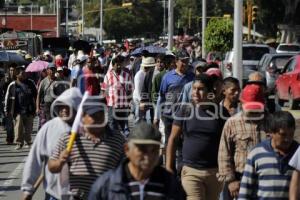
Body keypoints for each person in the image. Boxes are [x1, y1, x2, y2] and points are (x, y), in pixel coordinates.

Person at [48, 97, 125, 200]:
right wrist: (59, 162)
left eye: (101, 114)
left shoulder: (118, 139)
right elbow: (51, 166)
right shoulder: (68, 138)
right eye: (93, 115)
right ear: (83, 117)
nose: (98, 118)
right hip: (76, 196)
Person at [88, 122, 184, 200]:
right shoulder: (106, 185)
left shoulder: (170, 184)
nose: (148, 156)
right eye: (142, 149)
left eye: (154, 150)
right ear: (127, 149)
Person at [166, 74, 225, 200]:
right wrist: (169, 167)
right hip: (190, 171)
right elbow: (173, 139)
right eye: (194, 88)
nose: (196, 93)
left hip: (215, 172)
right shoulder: (185, 110)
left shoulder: (221, 113)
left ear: (210, 91)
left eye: (201, 89)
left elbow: (227, 141)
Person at [21, 88, 82, 200]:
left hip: (81, 192)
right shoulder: (49, 128)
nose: (63, 110)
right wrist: (27, 188)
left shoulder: (86, 129)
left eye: (68, 106)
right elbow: (34, 159)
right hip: (53, 193)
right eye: (61, 106)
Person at [218, 84, 269, 200]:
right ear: (242, 104)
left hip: (265, 179)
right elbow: (224, 154)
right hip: (239, 179)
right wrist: (231, 181)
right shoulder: (232, 123)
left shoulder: (271, 122)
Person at [238, 111, 299, 199]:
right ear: (271, 133)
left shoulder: (298, 152)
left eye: (291, 134)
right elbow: (245, 188)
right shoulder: (256, 153)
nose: (287, 139)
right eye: (283, 134)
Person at [4, 66, 36, 150]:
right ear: (17, 75)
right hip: (17, 110)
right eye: (22, 73)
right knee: (18, 128)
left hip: (29, 109)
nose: (24, 74)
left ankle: (28, 142)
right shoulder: (13, 85)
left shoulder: (30, 83)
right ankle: (19, 143)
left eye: (24, 73)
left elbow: (35, 96)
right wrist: (7, 110)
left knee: (29, 128)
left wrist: (35, 108)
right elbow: (7, 97)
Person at [101, 55, 133, 135]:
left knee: (124, 127)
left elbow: (129, 90)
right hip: (112, 105)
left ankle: (124, 143)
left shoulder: (127, 75)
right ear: (113, 64)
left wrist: (129, 104)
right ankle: (114, 143)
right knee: (112, 126)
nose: (119, 66)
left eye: (120, 65)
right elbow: (104, 90)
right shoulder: (108, 75)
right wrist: (105, 103)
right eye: (117, 65)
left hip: (123, 106)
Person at [3, 63, 17, 144]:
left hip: (16, 102)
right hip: (7, 102)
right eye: (11, 70)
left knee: (16, 121)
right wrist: (5, 82)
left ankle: (17, 136)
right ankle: (9, 138)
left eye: (13, 70)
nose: (12, 72)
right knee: (9, 121)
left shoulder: (18, 79)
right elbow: (2, 89)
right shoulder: (5, 80)